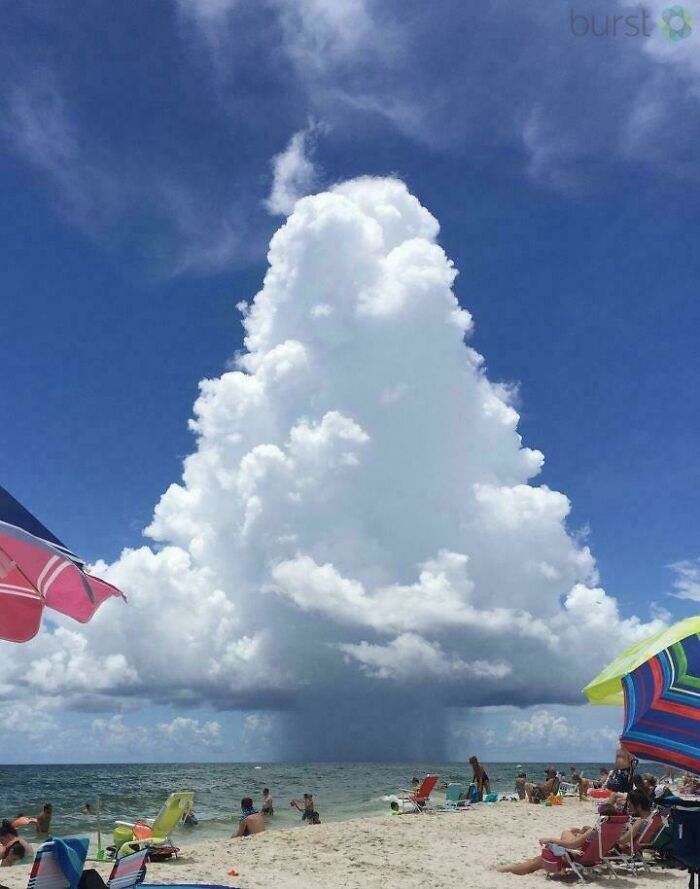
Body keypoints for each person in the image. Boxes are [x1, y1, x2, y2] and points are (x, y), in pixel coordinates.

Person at [497, 804, 618, 875]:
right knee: (537, 859)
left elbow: (571, 845)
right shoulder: (613, 831)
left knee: (537, 862)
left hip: (578, 858)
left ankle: (505, 869)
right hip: (593, 859)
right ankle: (511, 867)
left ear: (601, 817)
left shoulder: (594, 831)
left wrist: (550, 839)